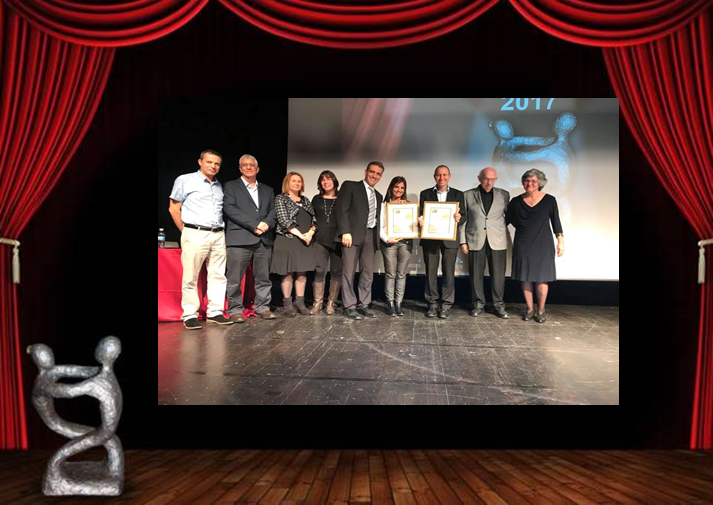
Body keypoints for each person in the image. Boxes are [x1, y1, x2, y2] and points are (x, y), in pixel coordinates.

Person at [169, 150, 233, 330]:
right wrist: (185, 230)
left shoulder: (219, 186)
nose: (213, 166)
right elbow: (174, 208)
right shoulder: (185, 180)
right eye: (209, 162)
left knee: (218, 275)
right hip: (195, 232)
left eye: (217, 163)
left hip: (218, 233)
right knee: (191, 275)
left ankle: (215, 312)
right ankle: (190, 314)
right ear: (200, 162)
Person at [223, 154, 277, 323]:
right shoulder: (231, 186)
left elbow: (273, 211)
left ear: (257, 168)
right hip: (239, 238)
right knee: (234, 278)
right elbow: (230, 209)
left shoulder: (268, 190)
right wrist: (255, 225)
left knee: (263, 277)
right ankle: (235, 309)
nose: (248, 167)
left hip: (264, 239)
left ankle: (263, 307)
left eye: (251, 165)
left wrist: (266, 224)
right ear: (240, 168)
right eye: (245, 165)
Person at [506, 169, 565, 323]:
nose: (530, 184)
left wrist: (560, 241)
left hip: (543, 244)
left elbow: (556, 222)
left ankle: (541, 310)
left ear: (540, 183)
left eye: (533, 181)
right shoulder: (516, 201)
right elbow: (507, 220)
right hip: (523, 243)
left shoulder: (550, 200)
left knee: (542, 278)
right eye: (527, 181)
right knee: (525, 277)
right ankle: (530, 309)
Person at [336, 162, 385, 320]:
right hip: (352, 235)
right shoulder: (350, 186)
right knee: (348, 271)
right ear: (365, 172)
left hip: (371, 235)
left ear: (381, 176)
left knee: (368, 272)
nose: (374, 175)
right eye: (372, 172)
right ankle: (349, 306)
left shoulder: (378, 196)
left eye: (378, 173)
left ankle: (364, 304)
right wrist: (345, 231)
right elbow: (342, 209)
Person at [460, 168, 511, 319]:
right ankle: (478, 305)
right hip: (475, 239)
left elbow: (509, 217)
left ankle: (498, 305)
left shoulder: (504, 194)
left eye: (493, 179)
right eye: (486, 179)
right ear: (479, 178)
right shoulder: (467, 195)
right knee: (476, 275)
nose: (489, 182)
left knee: (498, 276)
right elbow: (463, 221)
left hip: (497, 240)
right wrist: (462, 241)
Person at [418, 165, 464, 319]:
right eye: (438, 175)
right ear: (434, 176)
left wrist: (459, 218)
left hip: (450, 239)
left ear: (449, 176)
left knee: (449, 273)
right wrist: (421, 219)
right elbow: (421, 213)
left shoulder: (458, 194)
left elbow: (464, 215)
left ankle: (446, 304)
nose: (441, 178)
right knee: (430, 272)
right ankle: (432, 304)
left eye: (444, 175)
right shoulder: (425, 194)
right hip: (430, 239)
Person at [271, 172, 318, 317]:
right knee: (288, 273)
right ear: (287, 183)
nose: (297, 183)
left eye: (299, 181)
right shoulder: (281, 198)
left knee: (302, 273)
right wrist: (301, 235)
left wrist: (310, 232)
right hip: (288, 239)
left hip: (304, 241)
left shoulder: (305, 200)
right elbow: (284, 220)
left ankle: (300, 302)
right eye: (294, 181)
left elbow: (314, 219)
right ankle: (287, 303)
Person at [380, 176, 414, 317]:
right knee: (390, 274)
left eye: (402, 188)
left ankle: (399, 303)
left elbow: (414, 225)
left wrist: (416, 218)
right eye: (396, 187)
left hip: (406, 242)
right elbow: (380, 226)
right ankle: (390, 303)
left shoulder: (409, 206)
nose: (399, 190)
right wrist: (387, 239)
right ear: (391, 188)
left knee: (401, 274)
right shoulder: (383, 205)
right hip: (389, 242)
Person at [310, 171, 343, 315]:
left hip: (338, 240)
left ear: (334, 181)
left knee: (336, 272)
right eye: (322, 180)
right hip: (320, 239)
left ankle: (331, 303)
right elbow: (312, 218)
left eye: (328, 179)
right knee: (319, 271)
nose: (325, 182)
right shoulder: (316, 199)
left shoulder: (342, 198)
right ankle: (317, 303)